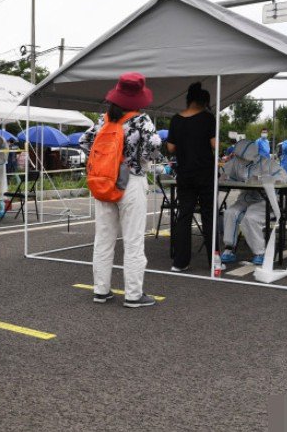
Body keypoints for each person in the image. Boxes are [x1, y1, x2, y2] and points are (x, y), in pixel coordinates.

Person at [80, 72, 161, 307]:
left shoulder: (104, 119)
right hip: (131, 182)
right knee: (133, 240)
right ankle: (134, 295)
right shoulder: (140, 120)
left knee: (103, 239)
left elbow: (84, 142)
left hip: (104, 182)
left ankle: (101, 291)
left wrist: (104, 163)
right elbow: (154, 146)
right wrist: (139, 161)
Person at [167, 82, 217, 273]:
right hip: (205, 173)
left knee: (184, 216)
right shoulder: (207, 118)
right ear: (203, 102)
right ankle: (214, 261)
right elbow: (214, 144)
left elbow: (171, 148)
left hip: (184, 174)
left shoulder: (176, 119)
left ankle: (180, 262)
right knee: (208, 215)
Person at [219, 139, 287, 265]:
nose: (239, 159)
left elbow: (284, 176)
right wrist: (222, 176)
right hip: (246, 198)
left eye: (241, 156)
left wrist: (266, 180)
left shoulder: (267, 163)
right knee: (230, 212)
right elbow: (223, 172)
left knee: (250, 218)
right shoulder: (237, 162)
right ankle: (229, 248)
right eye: (238, 156)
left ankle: (260, 252)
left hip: (265, 200)